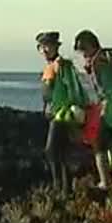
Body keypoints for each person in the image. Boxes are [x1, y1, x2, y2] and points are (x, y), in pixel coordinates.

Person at [73, 30, 112, 191]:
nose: (84, 56)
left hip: (111, 110)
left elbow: (107, 89)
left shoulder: (100, 62)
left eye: (84, 51)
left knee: (99, 144)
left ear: (90, 46)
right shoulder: (109, 57)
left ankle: (105, 181)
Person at [37, 31, 83, 193]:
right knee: (62, 153)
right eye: (42, 47)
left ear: (56, 47)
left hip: (62, 115)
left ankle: (59, 188)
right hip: (54, 114)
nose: (45, 50)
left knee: (51, 151)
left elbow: (71, 89)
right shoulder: (50, 67)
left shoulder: (62, 65)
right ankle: (66, 190)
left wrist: (70, 109)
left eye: (47, 46)